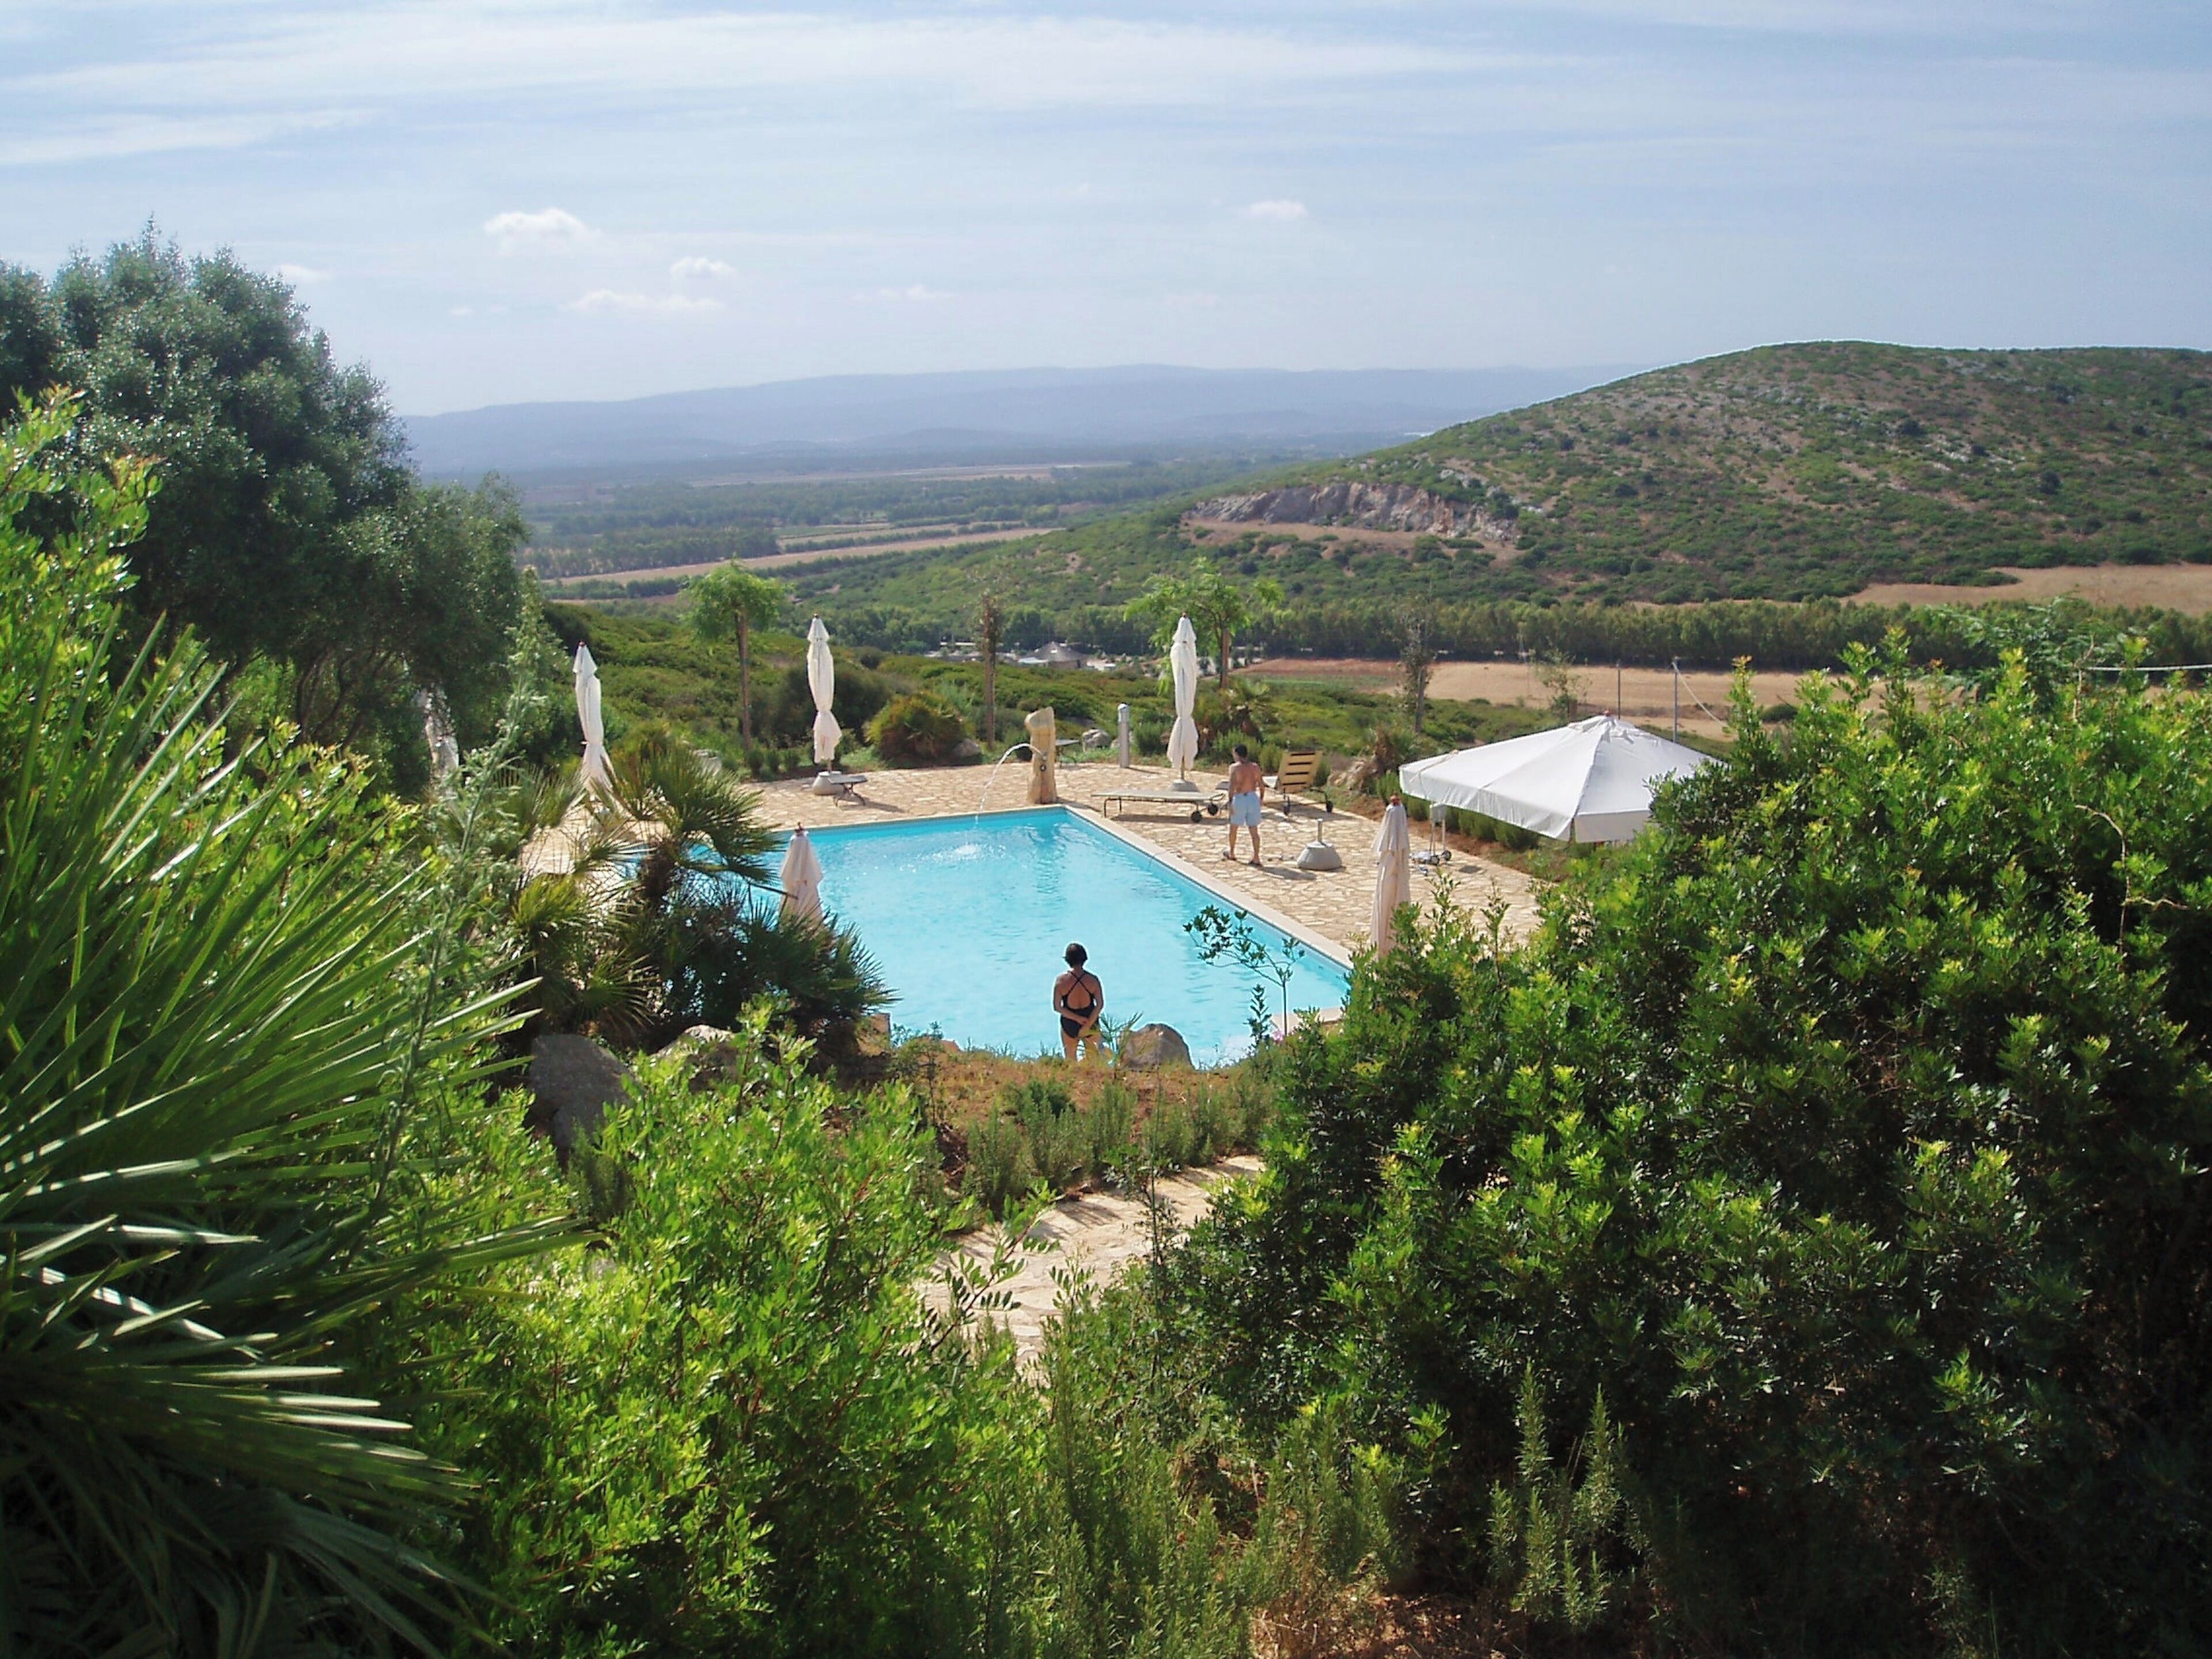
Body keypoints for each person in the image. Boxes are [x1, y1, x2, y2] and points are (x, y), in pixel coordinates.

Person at [1054, 943, 1105, 1062]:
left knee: (1071, 1060)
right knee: (1093, 1061)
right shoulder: (1093, 980)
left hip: (1069, 1024)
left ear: (1067, 959)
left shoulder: (1061, 981)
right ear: (1084, 958)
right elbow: (1100, 1005)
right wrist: (1087, 1025)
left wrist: (1077, 1019)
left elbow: (1057, 1007)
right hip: (1091, 1021)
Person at [1224, 743, 1264, 866]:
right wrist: (1261, 799)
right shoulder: (1255, 767)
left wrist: (1230, 803)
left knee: (1234, 828)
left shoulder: (1234, 768)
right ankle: (1256, 856)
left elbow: (1231, 787)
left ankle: (1232, 852)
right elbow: (1262, 785)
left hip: (1240, 797)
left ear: (1237, 754)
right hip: (1252, 797)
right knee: (1254, 830)